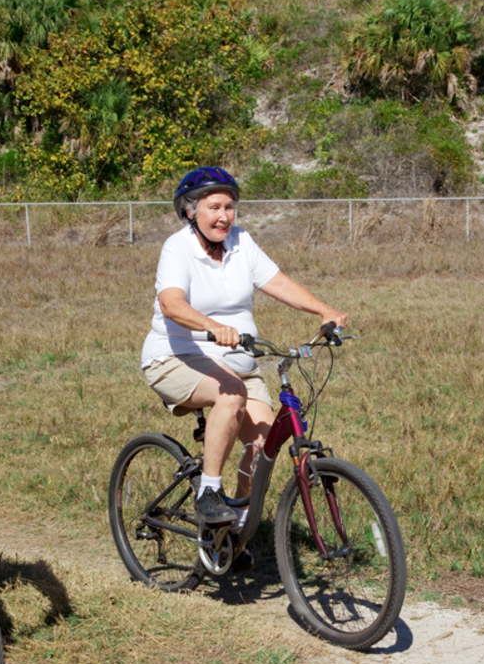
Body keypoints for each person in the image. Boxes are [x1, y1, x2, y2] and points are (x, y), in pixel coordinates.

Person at [140, 166, 348, 555]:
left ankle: (230, 538)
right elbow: (171, 304)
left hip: (237, 362)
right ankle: (209, 491)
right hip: (175, 357)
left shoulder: (242, 243)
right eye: (214, 207)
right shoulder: (177, 248)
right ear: (190, 211)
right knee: (231, 395)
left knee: (263, 448)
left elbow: (279, 283)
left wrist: (325, 310)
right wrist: (212, 326)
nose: (224, 216)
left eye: (230, 207)